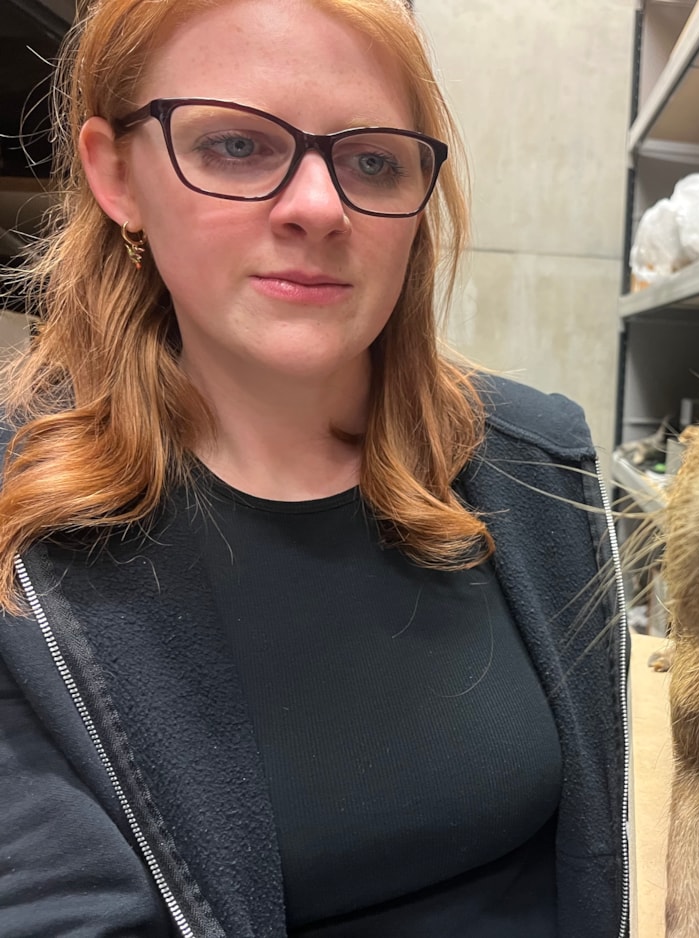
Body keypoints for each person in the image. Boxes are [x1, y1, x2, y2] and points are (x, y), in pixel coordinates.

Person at [0, 1, 630, 935]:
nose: (319, 208)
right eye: (235, 146)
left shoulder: (538, 467)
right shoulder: (22, 537)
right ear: (116, 174)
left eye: (373, 161)